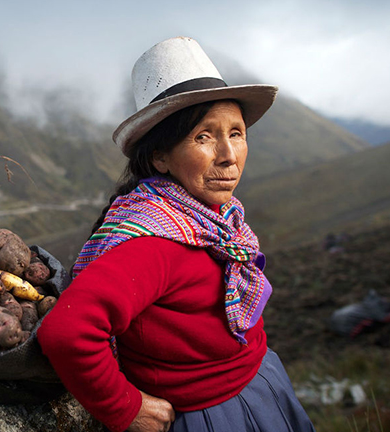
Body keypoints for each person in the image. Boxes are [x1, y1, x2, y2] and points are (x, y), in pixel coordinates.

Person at [36, 37, 316, 432]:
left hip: (262, 384)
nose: (228, 154)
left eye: (236, 133)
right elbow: (68, 331)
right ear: (160, 157)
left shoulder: (217, 221)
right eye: (203, 136)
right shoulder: (154, 243)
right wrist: (125, 407)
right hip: (212, 416)